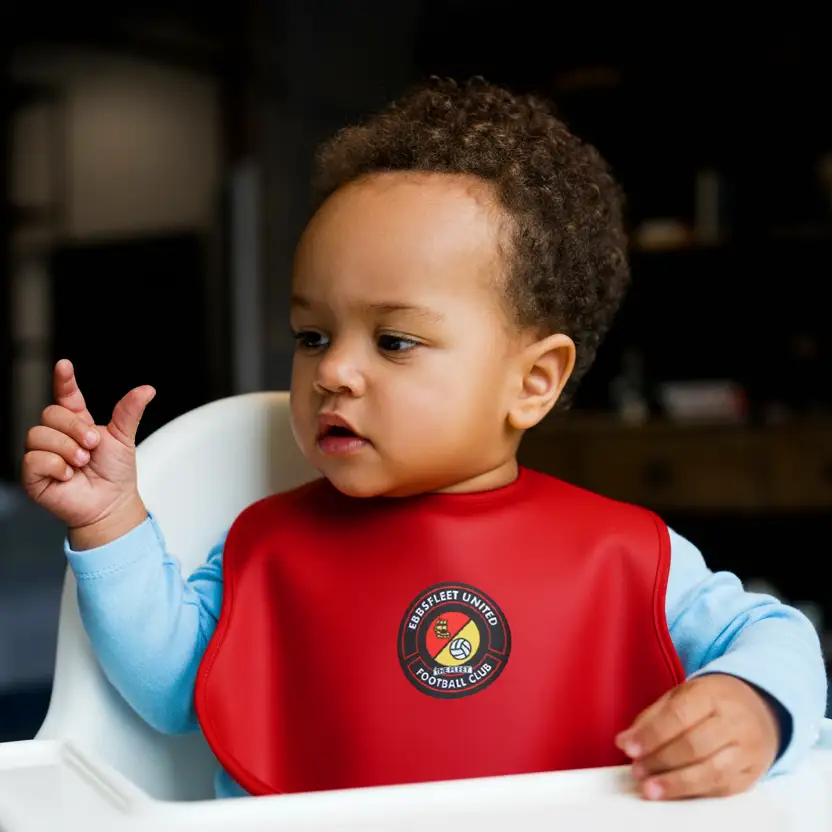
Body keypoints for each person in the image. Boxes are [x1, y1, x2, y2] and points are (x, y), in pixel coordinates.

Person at [22, 77, 827, 802]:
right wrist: (110, 521)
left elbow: (773, 635)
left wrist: (753, 707)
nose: (334, 371)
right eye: (311, 336)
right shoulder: (263, 550)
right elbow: (172, 689)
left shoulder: (624, 557)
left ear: (533, 381)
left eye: (395, 341)